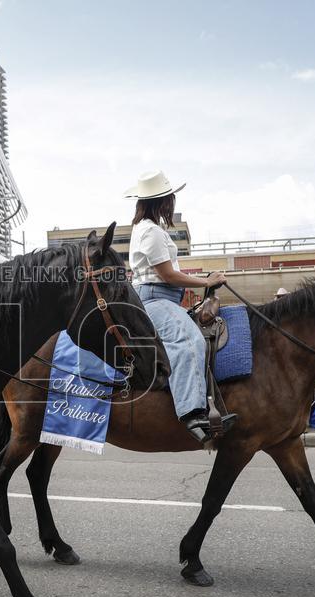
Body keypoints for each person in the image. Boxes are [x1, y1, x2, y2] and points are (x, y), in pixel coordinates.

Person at [125, 170, 233, 441]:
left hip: (164, 297)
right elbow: (168, 275)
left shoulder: (151, 229)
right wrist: (206, 280)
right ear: (162, 201)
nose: (173, 202)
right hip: (155, 298)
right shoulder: (150, 232)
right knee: (188, 340)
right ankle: (192, 414)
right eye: (170, 197)